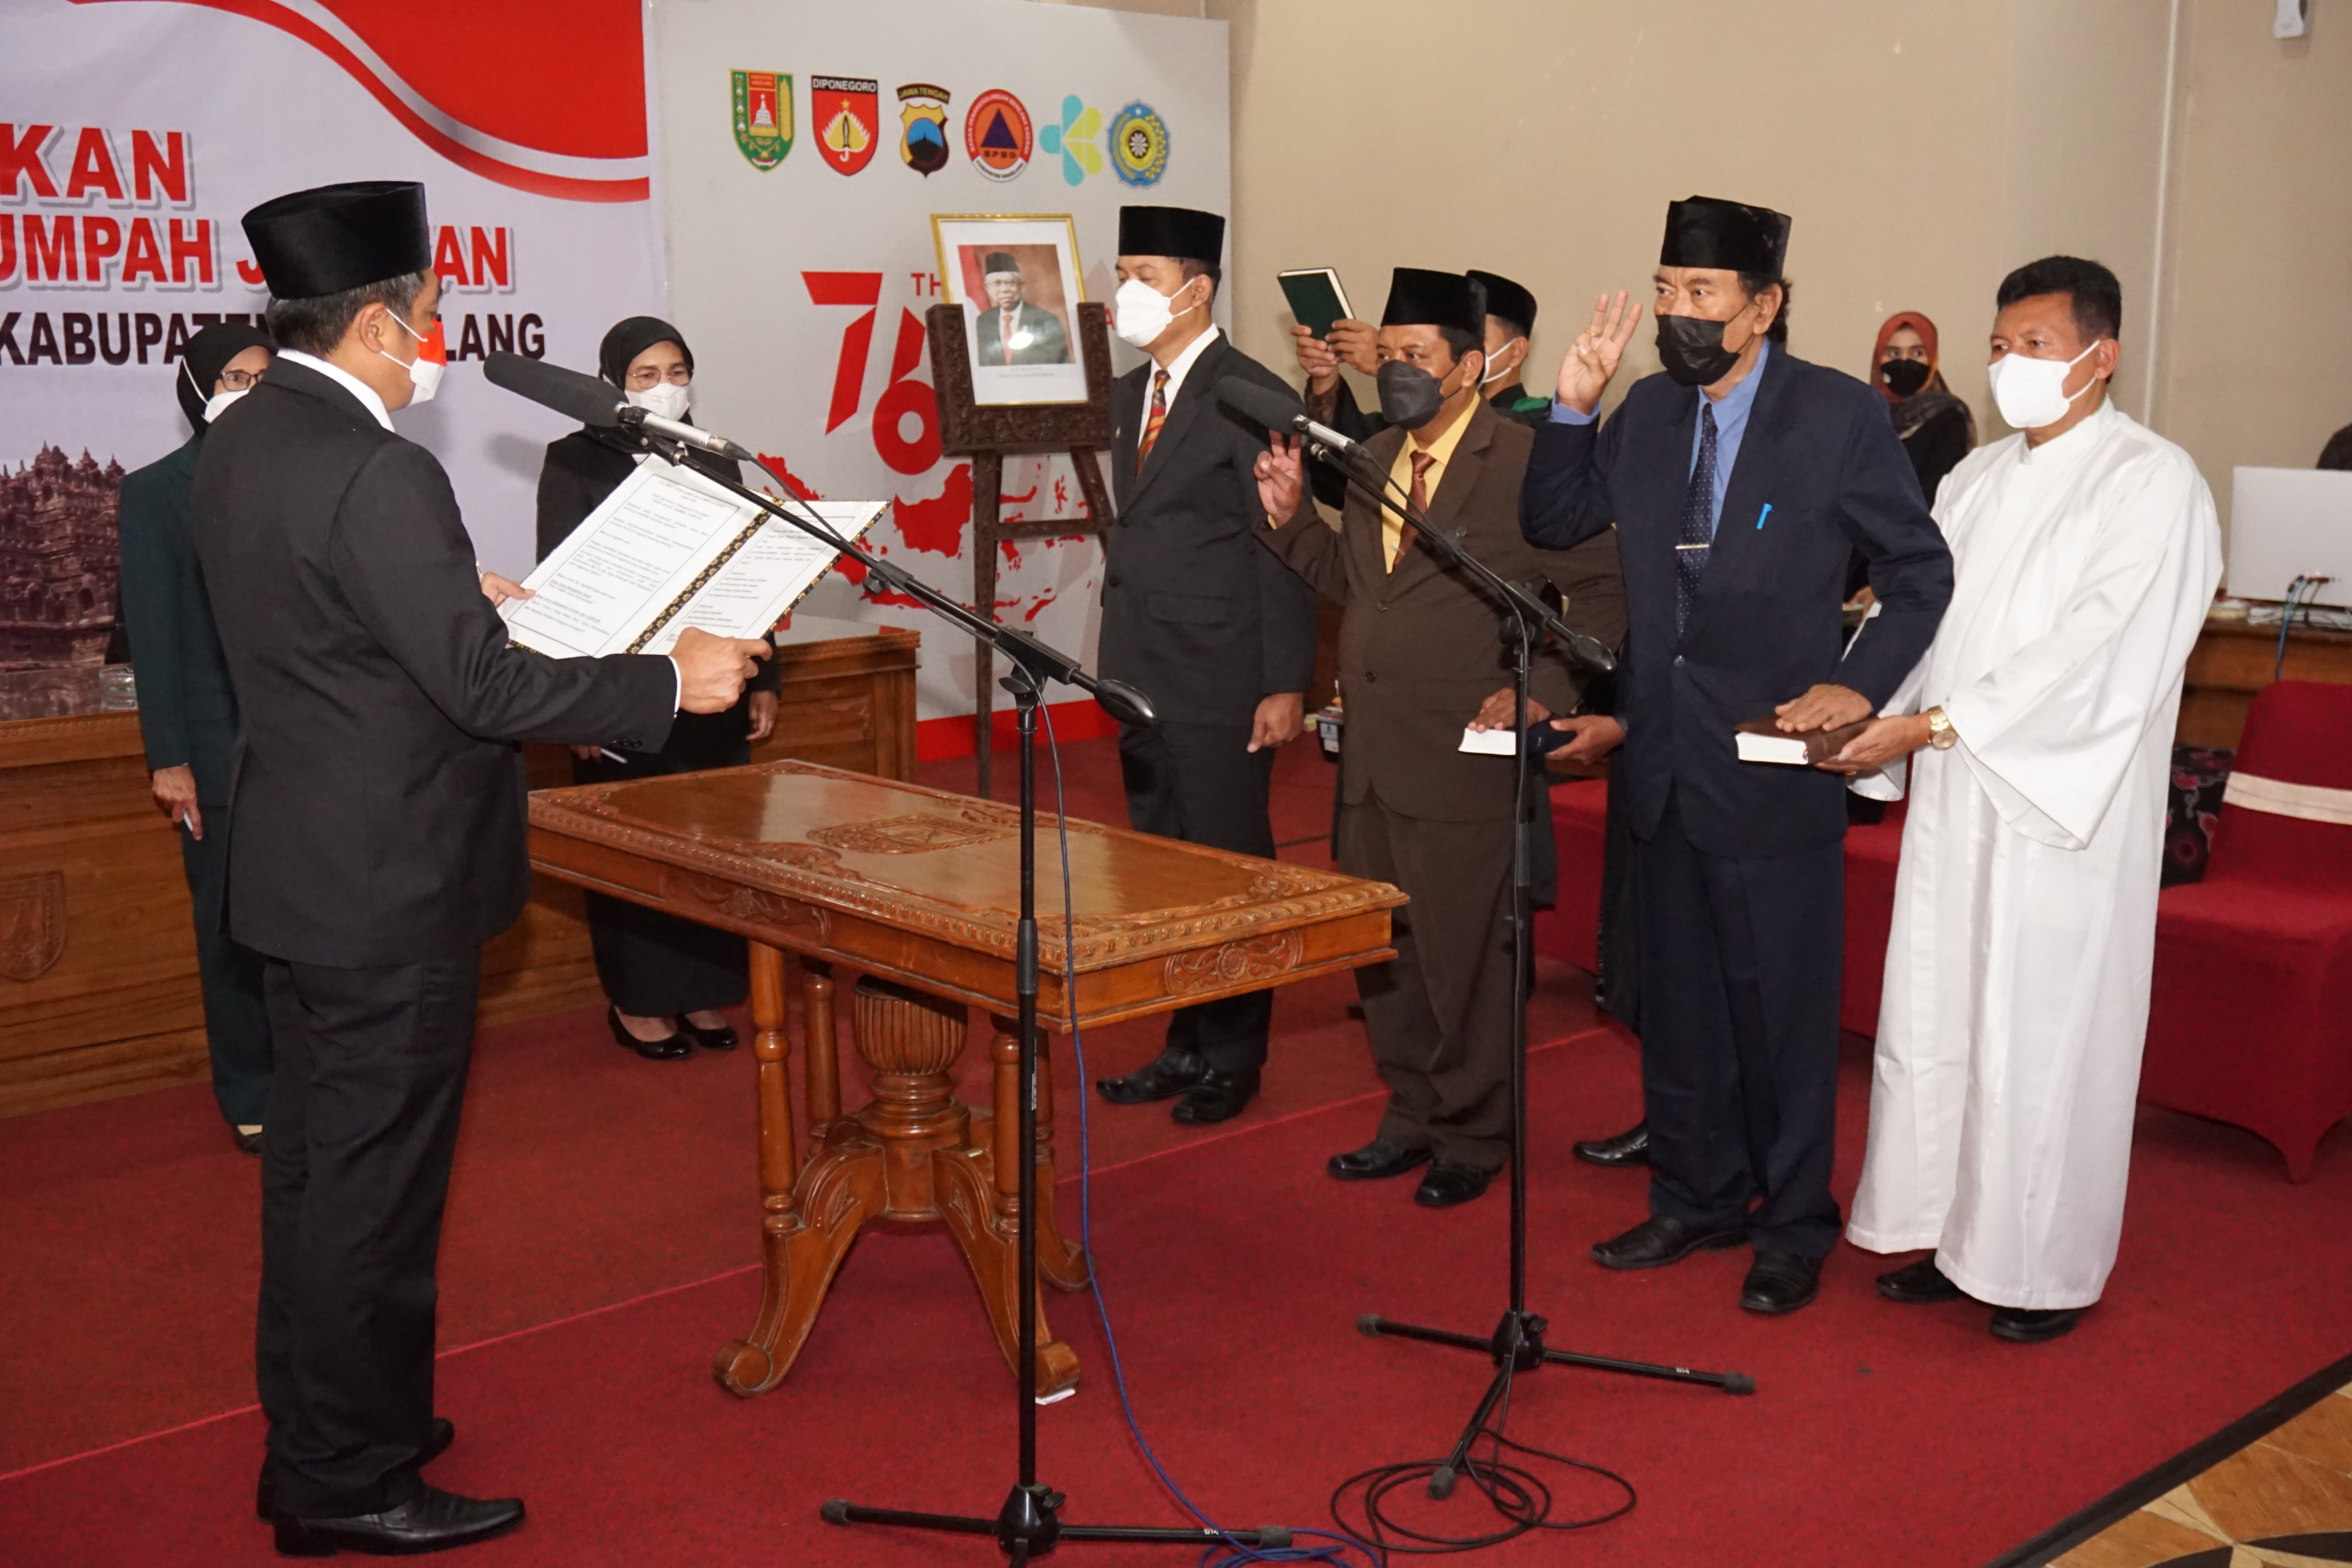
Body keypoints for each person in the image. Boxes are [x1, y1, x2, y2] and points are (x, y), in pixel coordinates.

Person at [197, 180, 766, 1556]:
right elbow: (476, 685)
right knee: (376, 1197)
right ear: (386, 328)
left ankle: (321, 1430)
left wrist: (466, 601)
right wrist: (666, 679)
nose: (447, 329)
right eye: (437, 310)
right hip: (387, 891)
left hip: (299, 872)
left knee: (319, 1178)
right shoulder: (380, 467)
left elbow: (347, 630)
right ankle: (351, 1482)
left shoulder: (246, 437)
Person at [1519, 196, 1951, 1314]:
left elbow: (1919, 573)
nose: (1677, 314)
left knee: (1779, 1012)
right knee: (1681, 1004)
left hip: (1773, 767)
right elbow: (1556, 521)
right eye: (1666, 291)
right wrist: (1572, 407)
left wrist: (1859, 682)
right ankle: (1694, 1196)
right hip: (1660, 763)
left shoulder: (1838, 416)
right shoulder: (1650, 413)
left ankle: (1794, 1223)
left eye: (1700, 295)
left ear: (1762, 308)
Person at [1835, 256, 2222, 1343]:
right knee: (1941, 1014)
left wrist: (1942, 723)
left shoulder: (2151, 481)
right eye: (2001, 347)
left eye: (2038, 348)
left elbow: (2101, 651)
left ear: (2101, 356)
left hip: (2061, 808)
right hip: (1958, 791)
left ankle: (2040, 1267)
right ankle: (1954, 1238)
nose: (2012, 367)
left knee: (2041, 1034)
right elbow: (1927, 617)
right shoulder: (1973, 481)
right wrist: (1867, 711)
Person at [1252, 268, 1626, 1208]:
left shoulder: (1523, 461)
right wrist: (1291, 521)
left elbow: (1599, 593)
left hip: (1465, 753)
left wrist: (1539, 691)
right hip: (1369, 759)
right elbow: (1356, 579)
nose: (1396, 373)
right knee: (1388, 954)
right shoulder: (1375, 455)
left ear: (1469, 365)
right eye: (1386, 356)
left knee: (1464, 954)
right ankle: (1409, 1113)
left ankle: (1474, 1129)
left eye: (1416, 357)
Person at [1091, 204, 1317, 1125]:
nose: (1125, 292)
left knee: (1227, 868)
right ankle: (1182, 1039)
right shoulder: (1124, 395)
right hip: (1142, 670)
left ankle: (1235, 1055)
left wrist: (1285, 679)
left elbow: (1284, 543)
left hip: (1225, 673)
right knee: (1163, 870)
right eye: (1120, 272)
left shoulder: (1251, 394)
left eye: (1143, 273)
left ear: (1196, 287)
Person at [536, 316, 779, 1062]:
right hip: (624, 691)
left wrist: (766, 679)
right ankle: (639, 1002)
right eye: (646, 375)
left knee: (715, 852)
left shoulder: (715, 459)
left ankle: (703, 991)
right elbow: (561, 587)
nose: (666, 387)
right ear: (612, 382)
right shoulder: (575, 458)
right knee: (637, 851)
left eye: (677, 371)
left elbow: (748, 577)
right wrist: (579, 700)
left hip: (715, 694)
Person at [117, 321, 277, 1156]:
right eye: (235, 378)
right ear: (198, 388)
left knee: (300, 922)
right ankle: (249, 1088)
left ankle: (308, 1077)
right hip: (211, 753)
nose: (251, 392)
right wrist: (168, 757)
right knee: (228, 925)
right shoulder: (156, 491)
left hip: (300, 744)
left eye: (264, 377)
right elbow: (155, 634)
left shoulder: (297, 478)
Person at [1871, 311, 1977, 507]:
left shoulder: (1947, 417)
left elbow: (1936, 494)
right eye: (1893, 353)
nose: (1904, 361)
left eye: (1917, 353)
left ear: (1932, 360)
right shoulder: (1866, 413)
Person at [972, 252, 1071, 366]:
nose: (1004, 290)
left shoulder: (1046, 321)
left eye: (1010, 283)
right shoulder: (982, 322)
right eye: (997, 283)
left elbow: (1060, 365)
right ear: (987, 288)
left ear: (1021, 286)